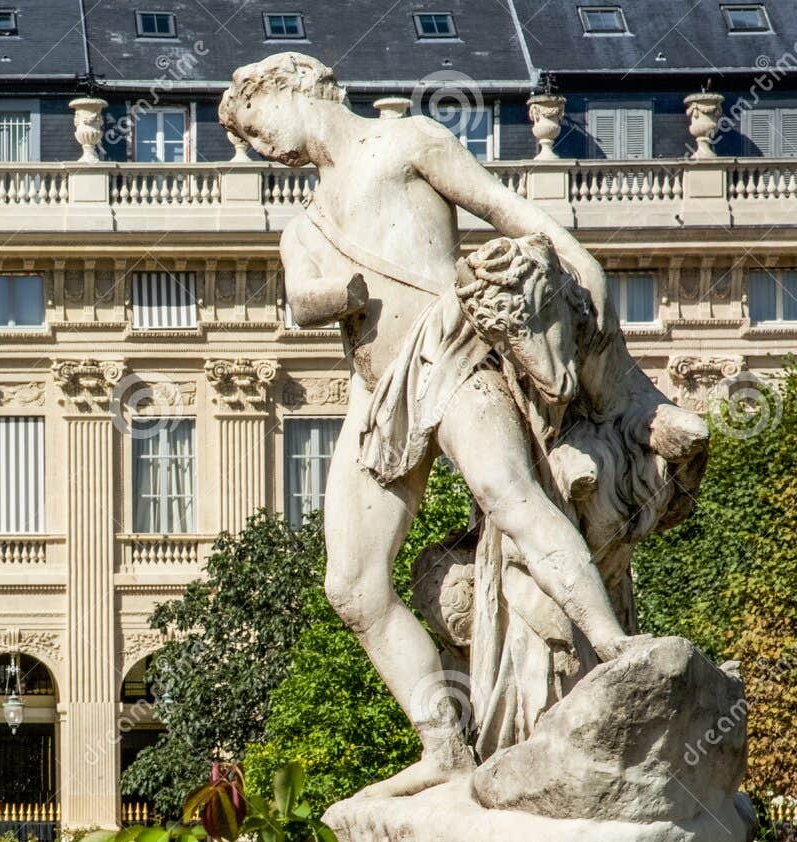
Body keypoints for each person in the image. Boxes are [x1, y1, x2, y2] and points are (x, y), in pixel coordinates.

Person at [219, 53, 698, 798]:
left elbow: (506, 209)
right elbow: (297, 298)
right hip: (376, 395)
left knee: (511, 497)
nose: (264, 148)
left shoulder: (407, 143)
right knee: (352, 584)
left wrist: (577, 259)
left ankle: (611, 645)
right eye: (251, 141)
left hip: (448, 352)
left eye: (260, 126)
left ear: (294, 88)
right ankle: (444, 745)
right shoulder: (304, 222)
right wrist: (327, 296)